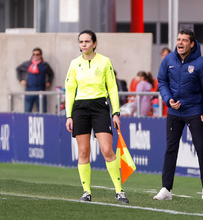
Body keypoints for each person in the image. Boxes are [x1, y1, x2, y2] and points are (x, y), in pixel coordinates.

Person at [64, 30, 129, 204]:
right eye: (81, 42)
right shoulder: (74, 64)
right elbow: (70, 91)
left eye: (87, 41)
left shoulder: (105, 61)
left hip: (100, 107)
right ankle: (86, 192)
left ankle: (119, 191)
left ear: (95, 43)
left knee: (107, 150)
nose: (83, 44)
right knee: (84, 151)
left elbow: (113, 89)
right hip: (80, 108)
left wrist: (116, 112)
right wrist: (68, 115)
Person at [154, 29, 203, 200]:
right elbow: (162, 81)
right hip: (174, 111)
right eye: (178, 39)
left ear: (192, 44)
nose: (180, 43)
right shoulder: (168, 60)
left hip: (195, 111)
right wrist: (168, 100)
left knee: (201, 147)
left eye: (184, 40)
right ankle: (166, 189)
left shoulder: (202, 63)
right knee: (170, 149)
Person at [16, 47, 54, 113]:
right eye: (34, 54)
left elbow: (51, 73)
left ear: (41, 55)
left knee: (42, 112)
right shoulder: (28, 64)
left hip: (41, 91)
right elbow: (18, 69)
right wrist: (21, 80)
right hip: (29, 91)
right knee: (27, 111)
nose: (35, 56)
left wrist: (49, 82)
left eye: (37, 54)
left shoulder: (44, 65)